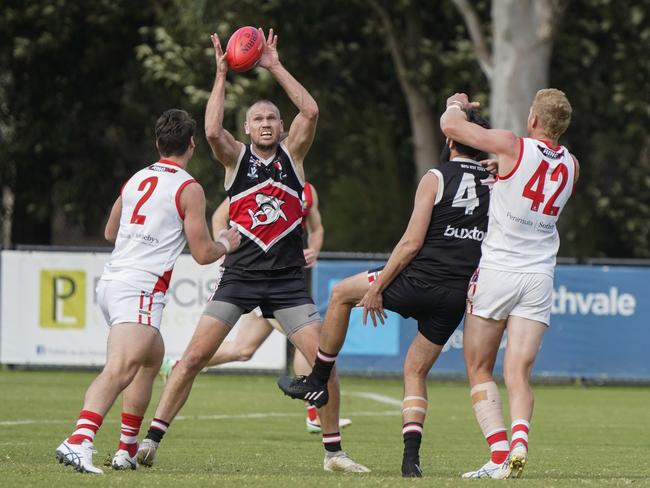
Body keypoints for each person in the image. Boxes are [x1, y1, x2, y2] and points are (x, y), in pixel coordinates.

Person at [136, 29, 368, 473]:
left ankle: (334, 454)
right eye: (258, 119)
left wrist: (275, 65)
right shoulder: (235, 160)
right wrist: (221, 73)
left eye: (271, 119)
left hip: (285, 284)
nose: (265, 123)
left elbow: (312, 109)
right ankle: (151, 441)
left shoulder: (294, 157)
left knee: (325, 365)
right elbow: (208, 129)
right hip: (240, 277)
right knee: (192, 360)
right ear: (247, 128)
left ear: (281, 127)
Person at [278, 111, 493, 477]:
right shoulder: (496, 181)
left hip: (418, 279)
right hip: (455, 294)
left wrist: (378, 288)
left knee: (344, 292)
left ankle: (318, 378)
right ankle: (411, 461)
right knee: (415, 370)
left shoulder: (436, 176)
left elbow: (411, 243)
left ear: (451, 140)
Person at [54, 109, 241, 474]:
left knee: (151, 358)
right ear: (191, 144)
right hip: (140, 286)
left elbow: (110, 232)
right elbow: (203, 254)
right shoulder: (189, 187)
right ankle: (79, 440)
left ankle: (126, 449)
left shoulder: (136, 178)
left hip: (112, 283)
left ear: (158, 143)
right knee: (121, 368)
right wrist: (226, 243)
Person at [439, 89, 578, 479]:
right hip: (539, 277)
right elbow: (529, 186)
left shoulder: (511, 145)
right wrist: (501, 173)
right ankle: (520, 440)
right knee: (518, 372)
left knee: (479, 366)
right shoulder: (572, 164)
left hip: (499, 271)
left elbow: (451, 127)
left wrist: (457, 105)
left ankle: (499, 453)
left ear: (533, 119)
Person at [160, 186, 352, 433]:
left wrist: (314, 248)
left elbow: (317, 228)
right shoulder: (254, 182)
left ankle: (177, 366)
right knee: (310, 341)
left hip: (281, 280)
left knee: (243, 350)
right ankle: (314, 413)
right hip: (252, 276)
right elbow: (219, 217)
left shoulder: (306, 190)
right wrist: (225, 245)